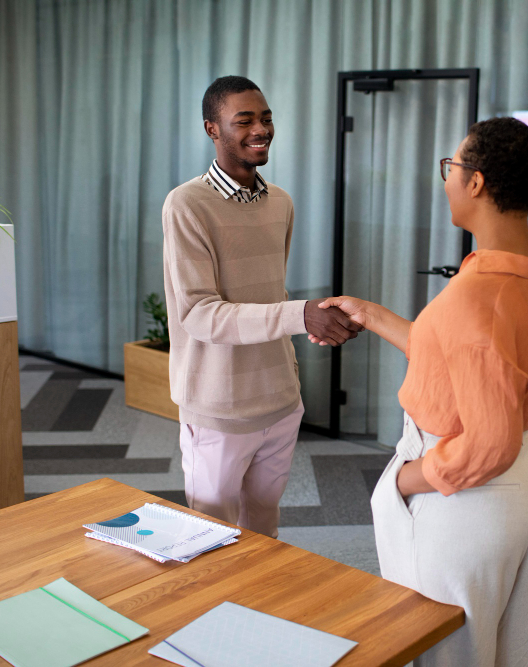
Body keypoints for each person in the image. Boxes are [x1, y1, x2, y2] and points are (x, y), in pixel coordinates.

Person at [311, 117, 528, 666]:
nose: (446, 178)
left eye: (451, 166)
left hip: (467, 494)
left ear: (475, 182)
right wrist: (372, 314)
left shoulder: (476, 297)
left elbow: (489, 444)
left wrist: (404, 481)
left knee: (441, 652)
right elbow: (464, 356)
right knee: (508, 650)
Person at [161, 75, 360, 538]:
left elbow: (272, 295)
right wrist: (301, 315)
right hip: (219, 408)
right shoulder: (186, 205)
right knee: (209, 537)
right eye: (244, 120)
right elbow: (200, 314)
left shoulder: (281, 203)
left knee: (264, 534)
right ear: (212, 129)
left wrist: (306, 323)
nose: (261, 130)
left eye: (266, 118)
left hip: (281, 401)